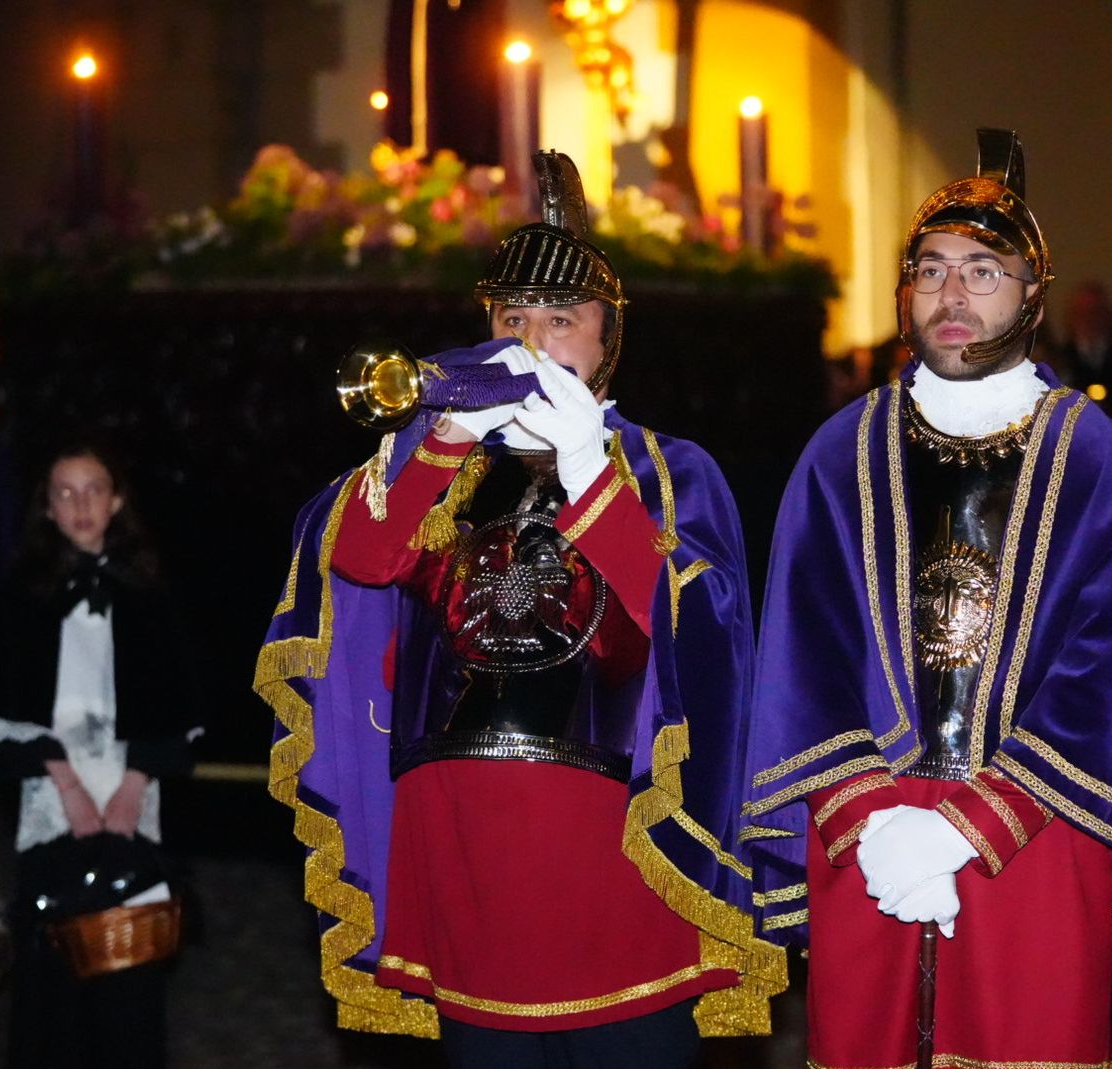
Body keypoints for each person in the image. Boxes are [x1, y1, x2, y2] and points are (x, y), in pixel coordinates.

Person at [254, 151, 781, 1067]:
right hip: (466, 852)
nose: (531, 343)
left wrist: (587, 471)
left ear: (608, 339)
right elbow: (361, 562)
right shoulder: (449, 463)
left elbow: (696, 632)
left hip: (612, 854)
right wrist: (444, 439)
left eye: (560, 320)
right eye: (511, 319)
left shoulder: (671, 468)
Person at [743, 129, 1112, 1069]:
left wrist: (968, 826)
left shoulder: (1104, 465)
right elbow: (803, 657)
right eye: (931, 269)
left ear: (1032, 295)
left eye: (983, 271)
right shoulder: (839, 455)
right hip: (871, 830)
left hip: (1045, 828)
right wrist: (874, 819)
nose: (952, 293)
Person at [0, 442, 199, 1068]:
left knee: (128, 968)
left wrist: (133, 786)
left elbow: (179, 698)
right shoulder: (21, 594)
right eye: (66, 492)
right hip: (52, 797)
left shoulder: (147, 590)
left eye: (94, 489)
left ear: (115, 501)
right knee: (53, 968)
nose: (81, 504)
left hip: (130, 796)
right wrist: (66, 787)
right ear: (48, 508)